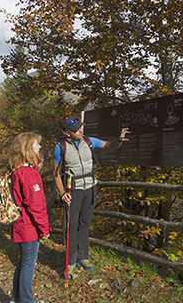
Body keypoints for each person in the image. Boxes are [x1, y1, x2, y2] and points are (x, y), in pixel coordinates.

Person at [53, 115, 129, 280]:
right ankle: (71, 260)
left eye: (80, 127)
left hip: (90, 188)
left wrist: (120, 139)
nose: (80, 130)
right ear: (67, 133)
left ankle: (83, 257)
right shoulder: (61, 147)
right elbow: (56, 174)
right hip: (73, 190)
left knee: (85, 224)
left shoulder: (89, 141)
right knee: (72, 227)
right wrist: (62, 193)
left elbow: (109, 145)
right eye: (75, 129)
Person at [7, 132, 50, 303]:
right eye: (36, 145)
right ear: (27, 148)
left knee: (23, 261)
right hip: (29, 226)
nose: (39, 147)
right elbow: (36, 205)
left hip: (19, 224)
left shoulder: (16, 170)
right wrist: (45, 229)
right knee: (28, 264)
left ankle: (16, 298)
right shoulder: (28, 174)